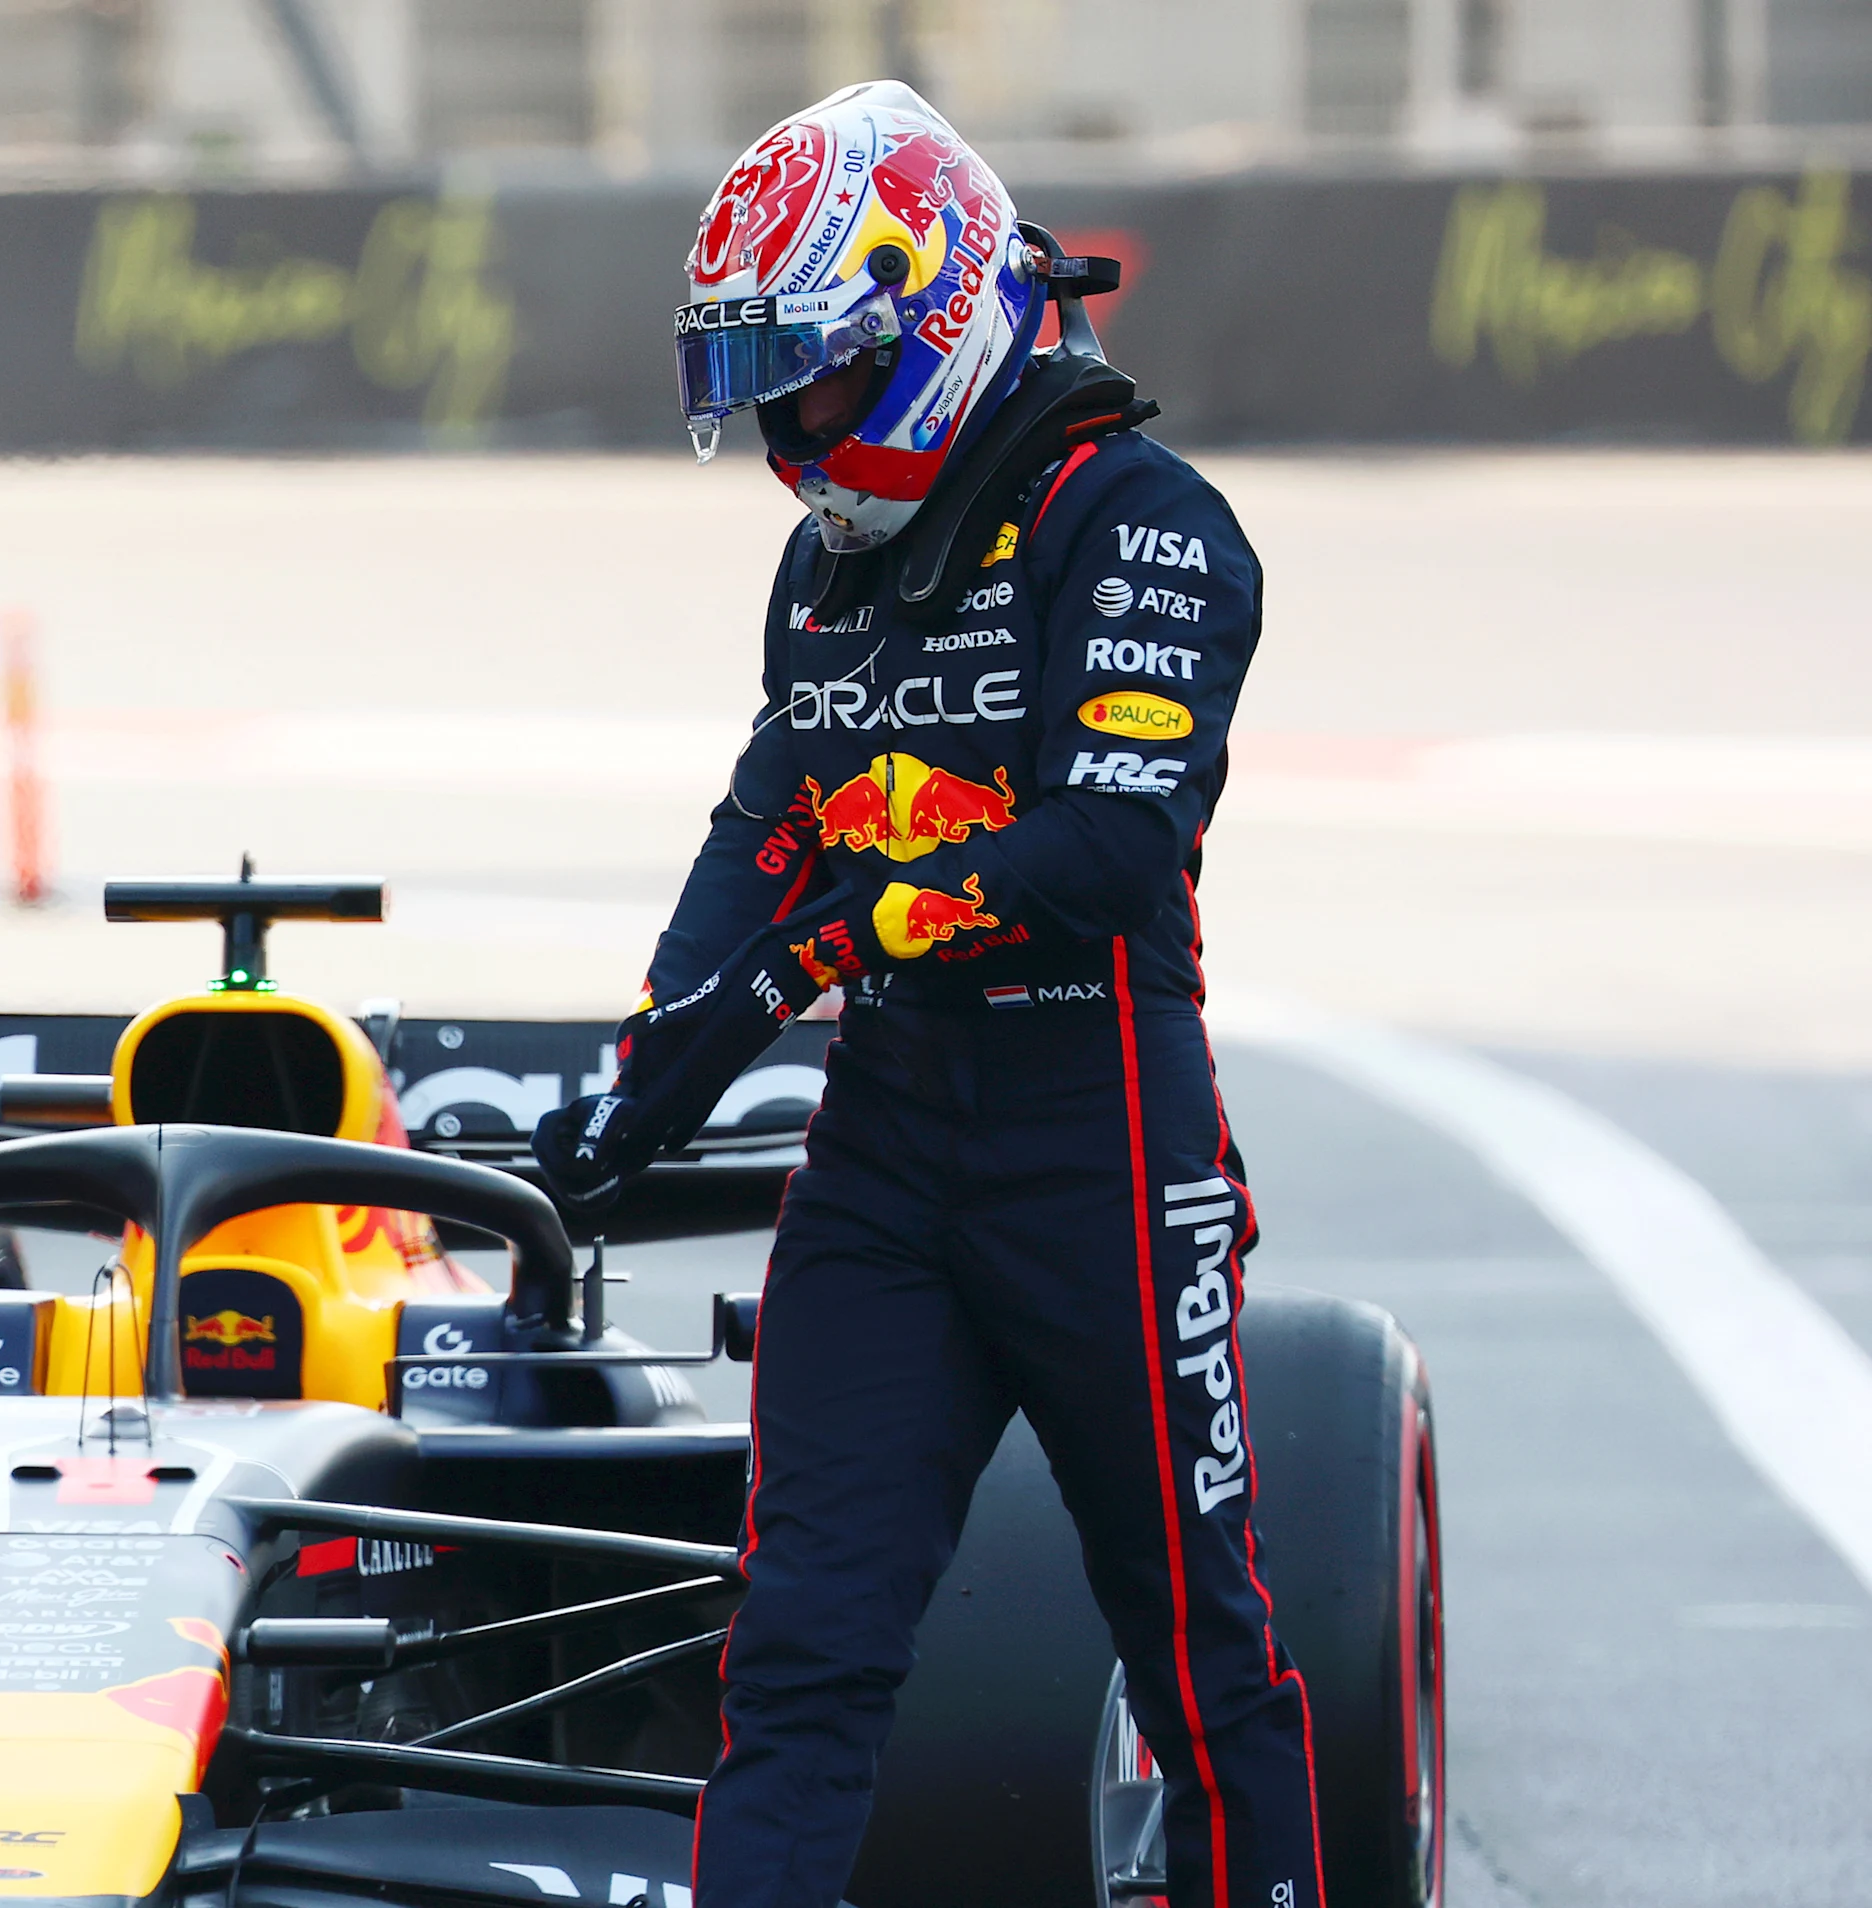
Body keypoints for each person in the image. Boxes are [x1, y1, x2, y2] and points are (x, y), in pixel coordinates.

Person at [530, 82, 1322, 1908]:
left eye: (812, 374)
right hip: (888, 1163)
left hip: (1106, 1146)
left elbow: (1106, 850)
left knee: (1202, 1664)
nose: (794, 426)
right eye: (766, 385)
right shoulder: (822, 572)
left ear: (928, 312)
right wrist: (640, 1076)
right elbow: (758, 838)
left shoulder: (1146, 523)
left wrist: (814, 952)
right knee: (793, 1657)